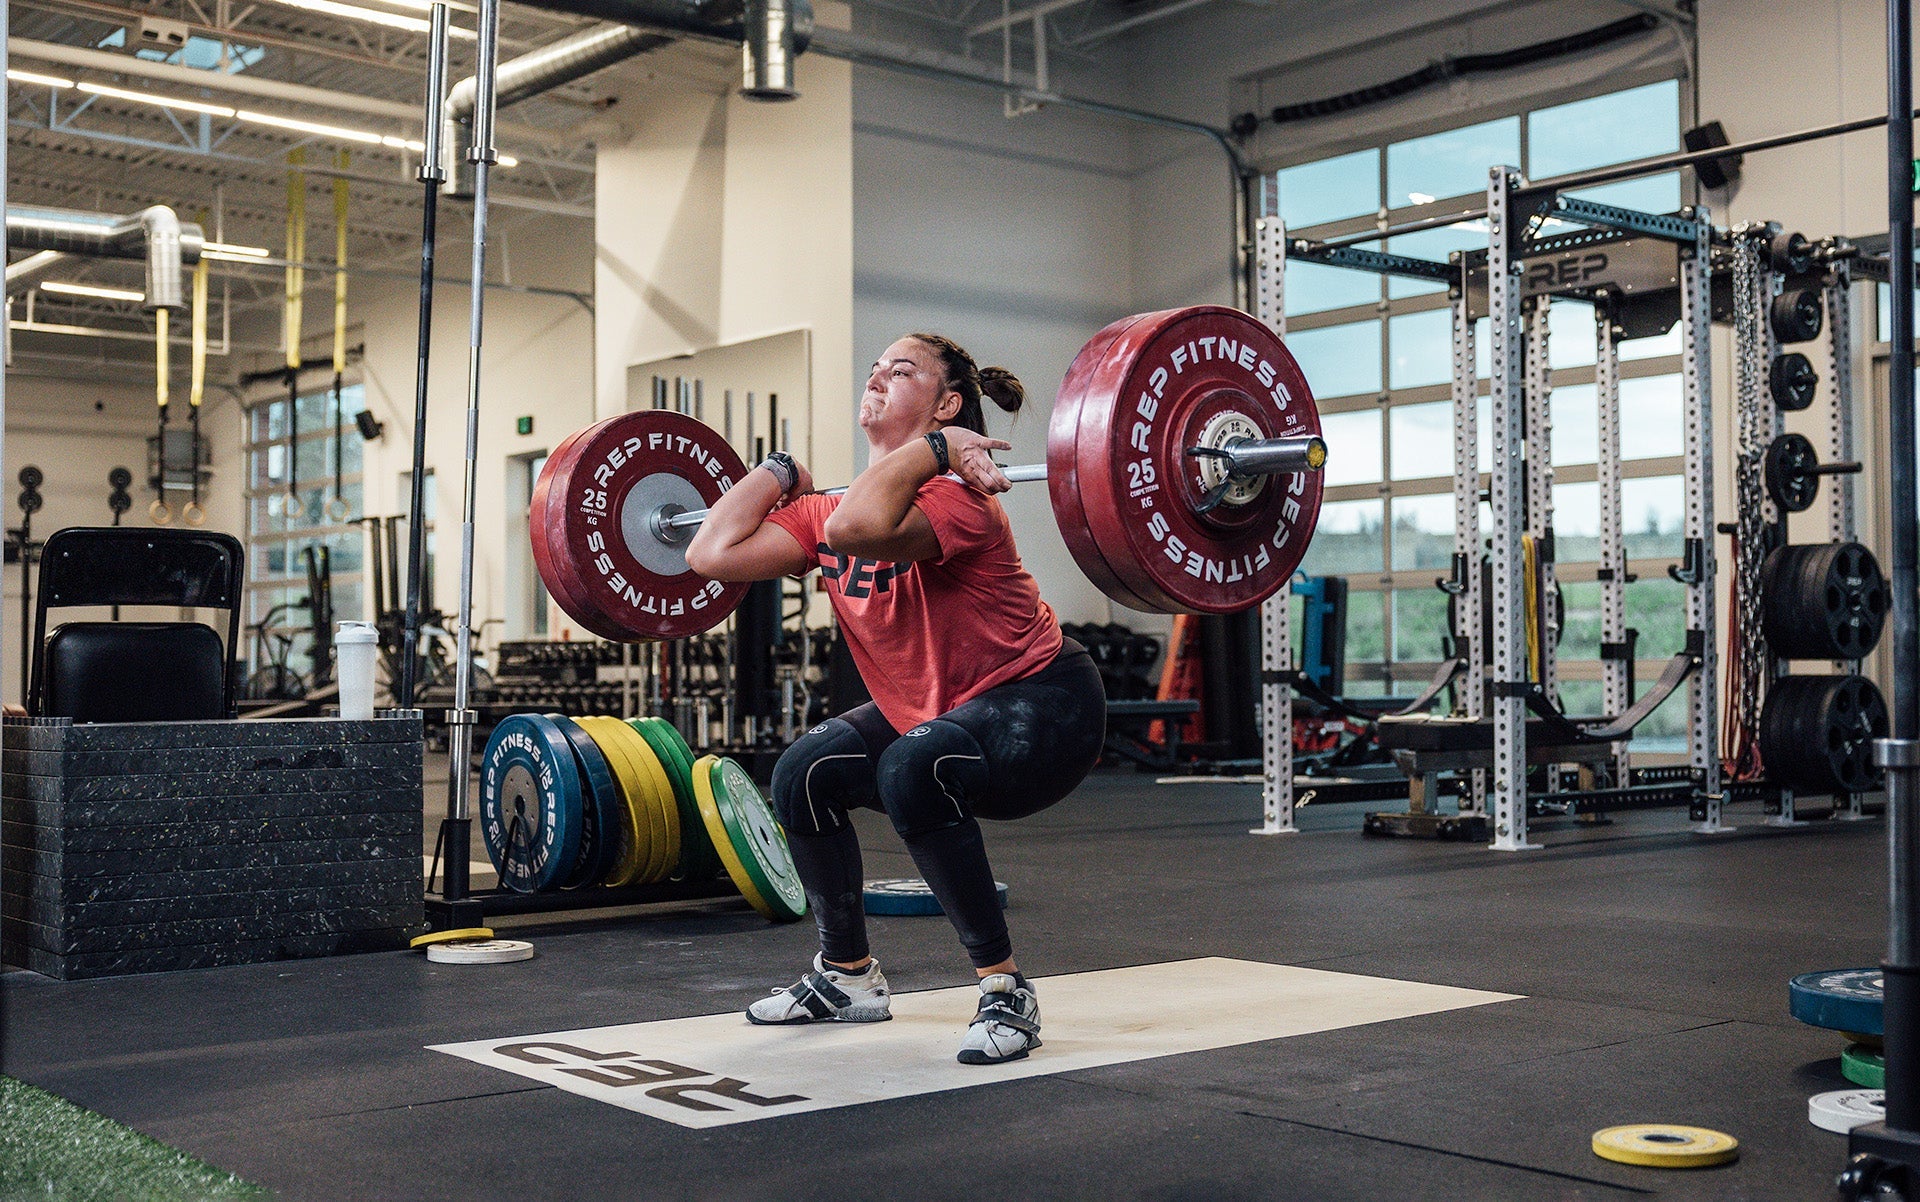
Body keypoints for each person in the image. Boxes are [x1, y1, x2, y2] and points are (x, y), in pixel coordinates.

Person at [684, 332, 1106, 1065]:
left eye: (900, 370)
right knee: (803, 772)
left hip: (1043, 709)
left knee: (913, 768)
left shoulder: (961, 499)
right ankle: (846, 977)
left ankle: (1006, 989)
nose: (876, 377)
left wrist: (941, 452)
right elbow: (709, 555)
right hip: (940, 713)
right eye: (873, 368)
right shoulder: (828, 509)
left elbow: (859, 527)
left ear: (947, 405)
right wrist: (777, 471)